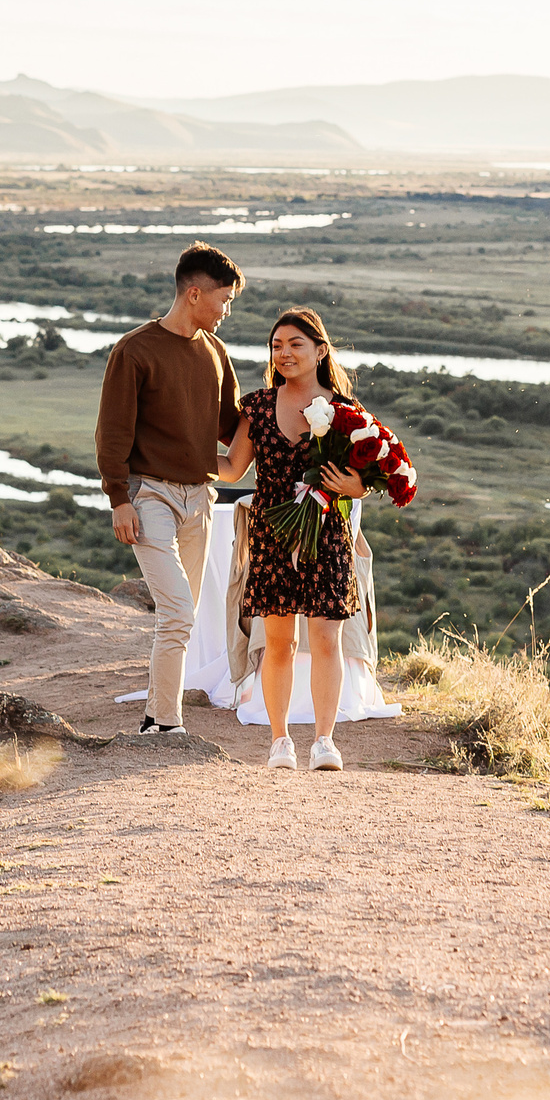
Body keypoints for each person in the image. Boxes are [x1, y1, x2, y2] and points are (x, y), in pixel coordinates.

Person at [95, 241, 244, 735]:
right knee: (178, 611)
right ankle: (167, 724)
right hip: (149, 496)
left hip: (200, 498)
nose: (226, 311)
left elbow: (232, 427)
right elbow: (112, 432)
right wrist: (118, 498)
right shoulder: (134, 350)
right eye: (224, 299)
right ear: (195, 293)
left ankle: (156, 720)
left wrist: (292, 411)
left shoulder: (216, 353)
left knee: (182, 615)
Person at [220, 307, 369, 771]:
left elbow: (366, 478)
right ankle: (279, 740)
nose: (284, 353)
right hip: (271, 535)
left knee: (327, 639)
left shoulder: (347, 412)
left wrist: (355, 487)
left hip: (327, 535)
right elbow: (231, 469)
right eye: (276, 346)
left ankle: (324, 741)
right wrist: (176, 449)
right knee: (279, 642)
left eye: (295, 344)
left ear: (320, 351)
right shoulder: (258, 406)